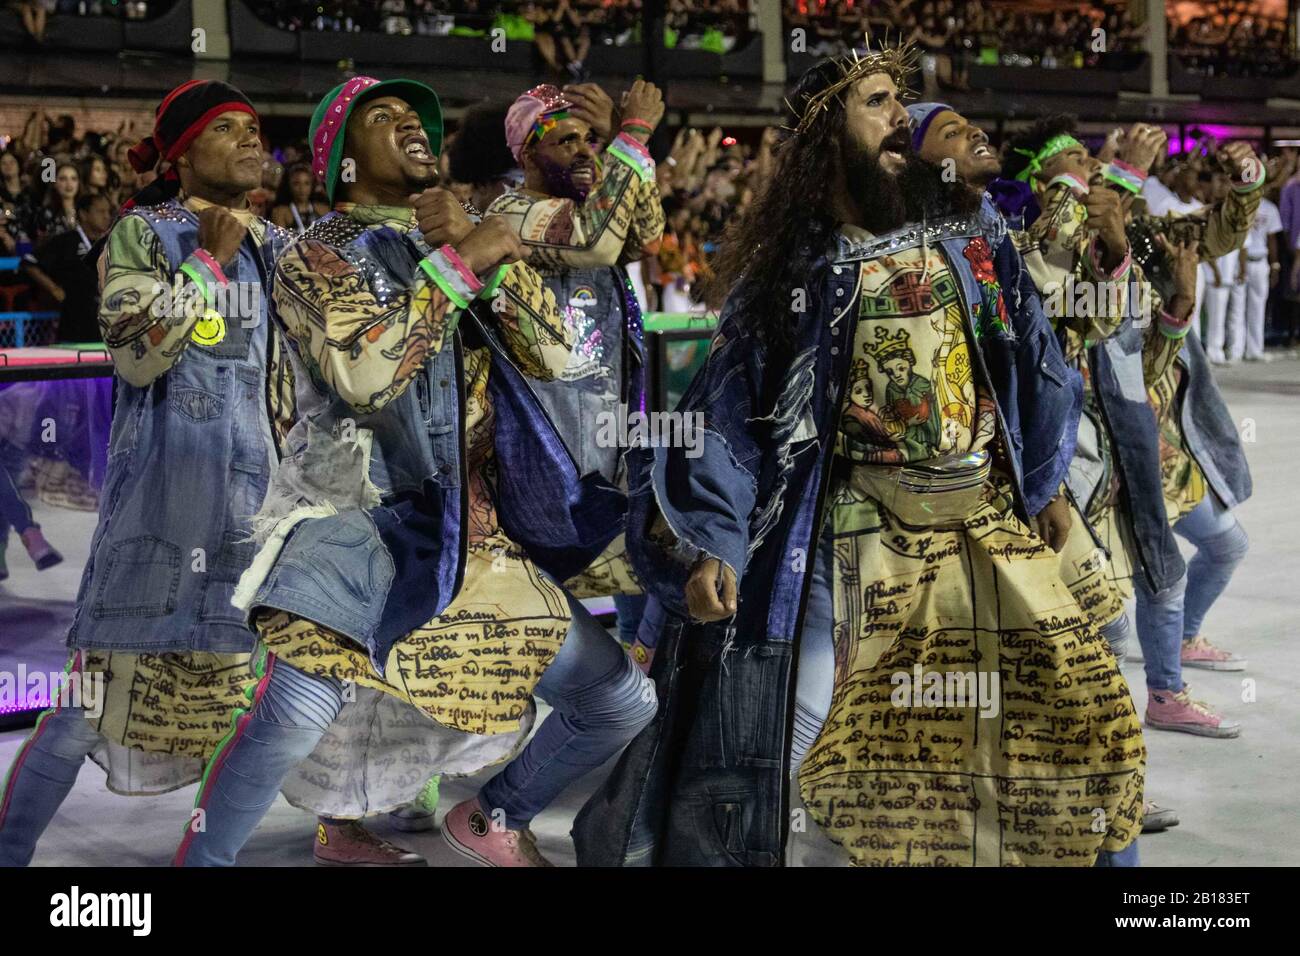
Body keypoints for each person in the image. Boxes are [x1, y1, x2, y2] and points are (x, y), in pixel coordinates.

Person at [575, 45, 1144, 867]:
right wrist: (714, 541)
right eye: (877, 103)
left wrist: (1047, 481)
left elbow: (1034, 360)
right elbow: (726, 419)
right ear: (823, 141)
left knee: (1078, 713)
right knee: (794, 732)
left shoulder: (972, 245)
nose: (899, 118)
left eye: (900, 103)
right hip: (853, 535)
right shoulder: (794, 274)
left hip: (981, 527)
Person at [171, 75, 657, 868]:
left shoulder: (464, 228)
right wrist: (463, 261)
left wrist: (484, 256)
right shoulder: (314, 251)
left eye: (418, 115)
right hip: (351, 515)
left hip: (470, 529)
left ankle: (494, 813)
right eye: (382, 116)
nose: (411, 124)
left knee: (621, 698)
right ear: (339, 161)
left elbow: (560, 356)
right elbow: (365, 373)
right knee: (297, 707)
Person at [0, 79, 298, 868]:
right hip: (159, 526)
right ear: (180, 152)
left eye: (254, 126)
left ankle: (223, 855)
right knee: (82, 711)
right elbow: (136, 355)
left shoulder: (274, 244)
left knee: (274, 706)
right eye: (226, 127)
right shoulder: (142, 233)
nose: (249, 139)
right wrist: (208, 261)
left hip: (253, 526)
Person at [488, 80, 666, 654]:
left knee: (646, 576)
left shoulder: (593, 207)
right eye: (567, 141)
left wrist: (622, 140)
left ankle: (634, 688)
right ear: (526, 153)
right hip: (548, 441)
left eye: (592, 139)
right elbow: (591, 243)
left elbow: (648, 232)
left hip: (608, 429)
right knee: (561, 592)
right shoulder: (512, 213)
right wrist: (633, 136)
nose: (587, 151)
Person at [21, 191, 112, 342]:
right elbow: (29, 263)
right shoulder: (66, 241)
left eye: (108, 211)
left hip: (105, 326)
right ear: (83, 214)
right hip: (75, 325)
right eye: (100, 211)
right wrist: (54, 289)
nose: (107, 216)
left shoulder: (110, 242)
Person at [1224, 193, 1281, 362]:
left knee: (1258, 306)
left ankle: (1255, 349)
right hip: (1239, 261)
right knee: (1237, 308)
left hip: (1260, 260)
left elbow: (1272, 238)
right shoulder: (1238, 206)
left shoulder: (1269, 208)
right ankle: (1236, 350)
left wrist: (1275, 264)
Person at [270, 162, 329, 233]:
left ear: (312, 185)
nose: (302, 188)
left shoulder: (323, 210)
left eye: (306, 183)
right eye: (296, 183)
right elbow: (281, 241)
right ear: (289, 185)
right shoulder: (280, 213)